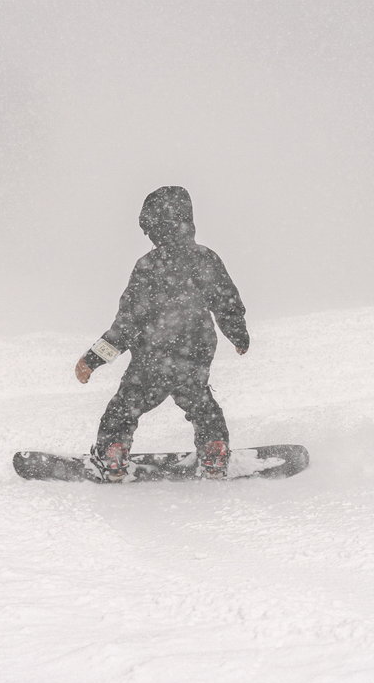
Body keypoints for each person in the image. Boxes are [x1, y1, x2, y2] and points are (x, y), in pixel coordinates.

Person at [75, 185, 250, 480]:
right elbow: (226, 301)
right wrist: (238, 334)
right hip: (195, 352)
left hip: (153, 357)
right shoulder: (206, 259)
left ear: (154, 227)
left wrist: (93, 359)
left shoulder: (148, 267)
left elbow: (126, 325)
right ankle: (214, 448)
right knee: (199, 400)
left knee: (126, 404)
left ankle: (113, 451)